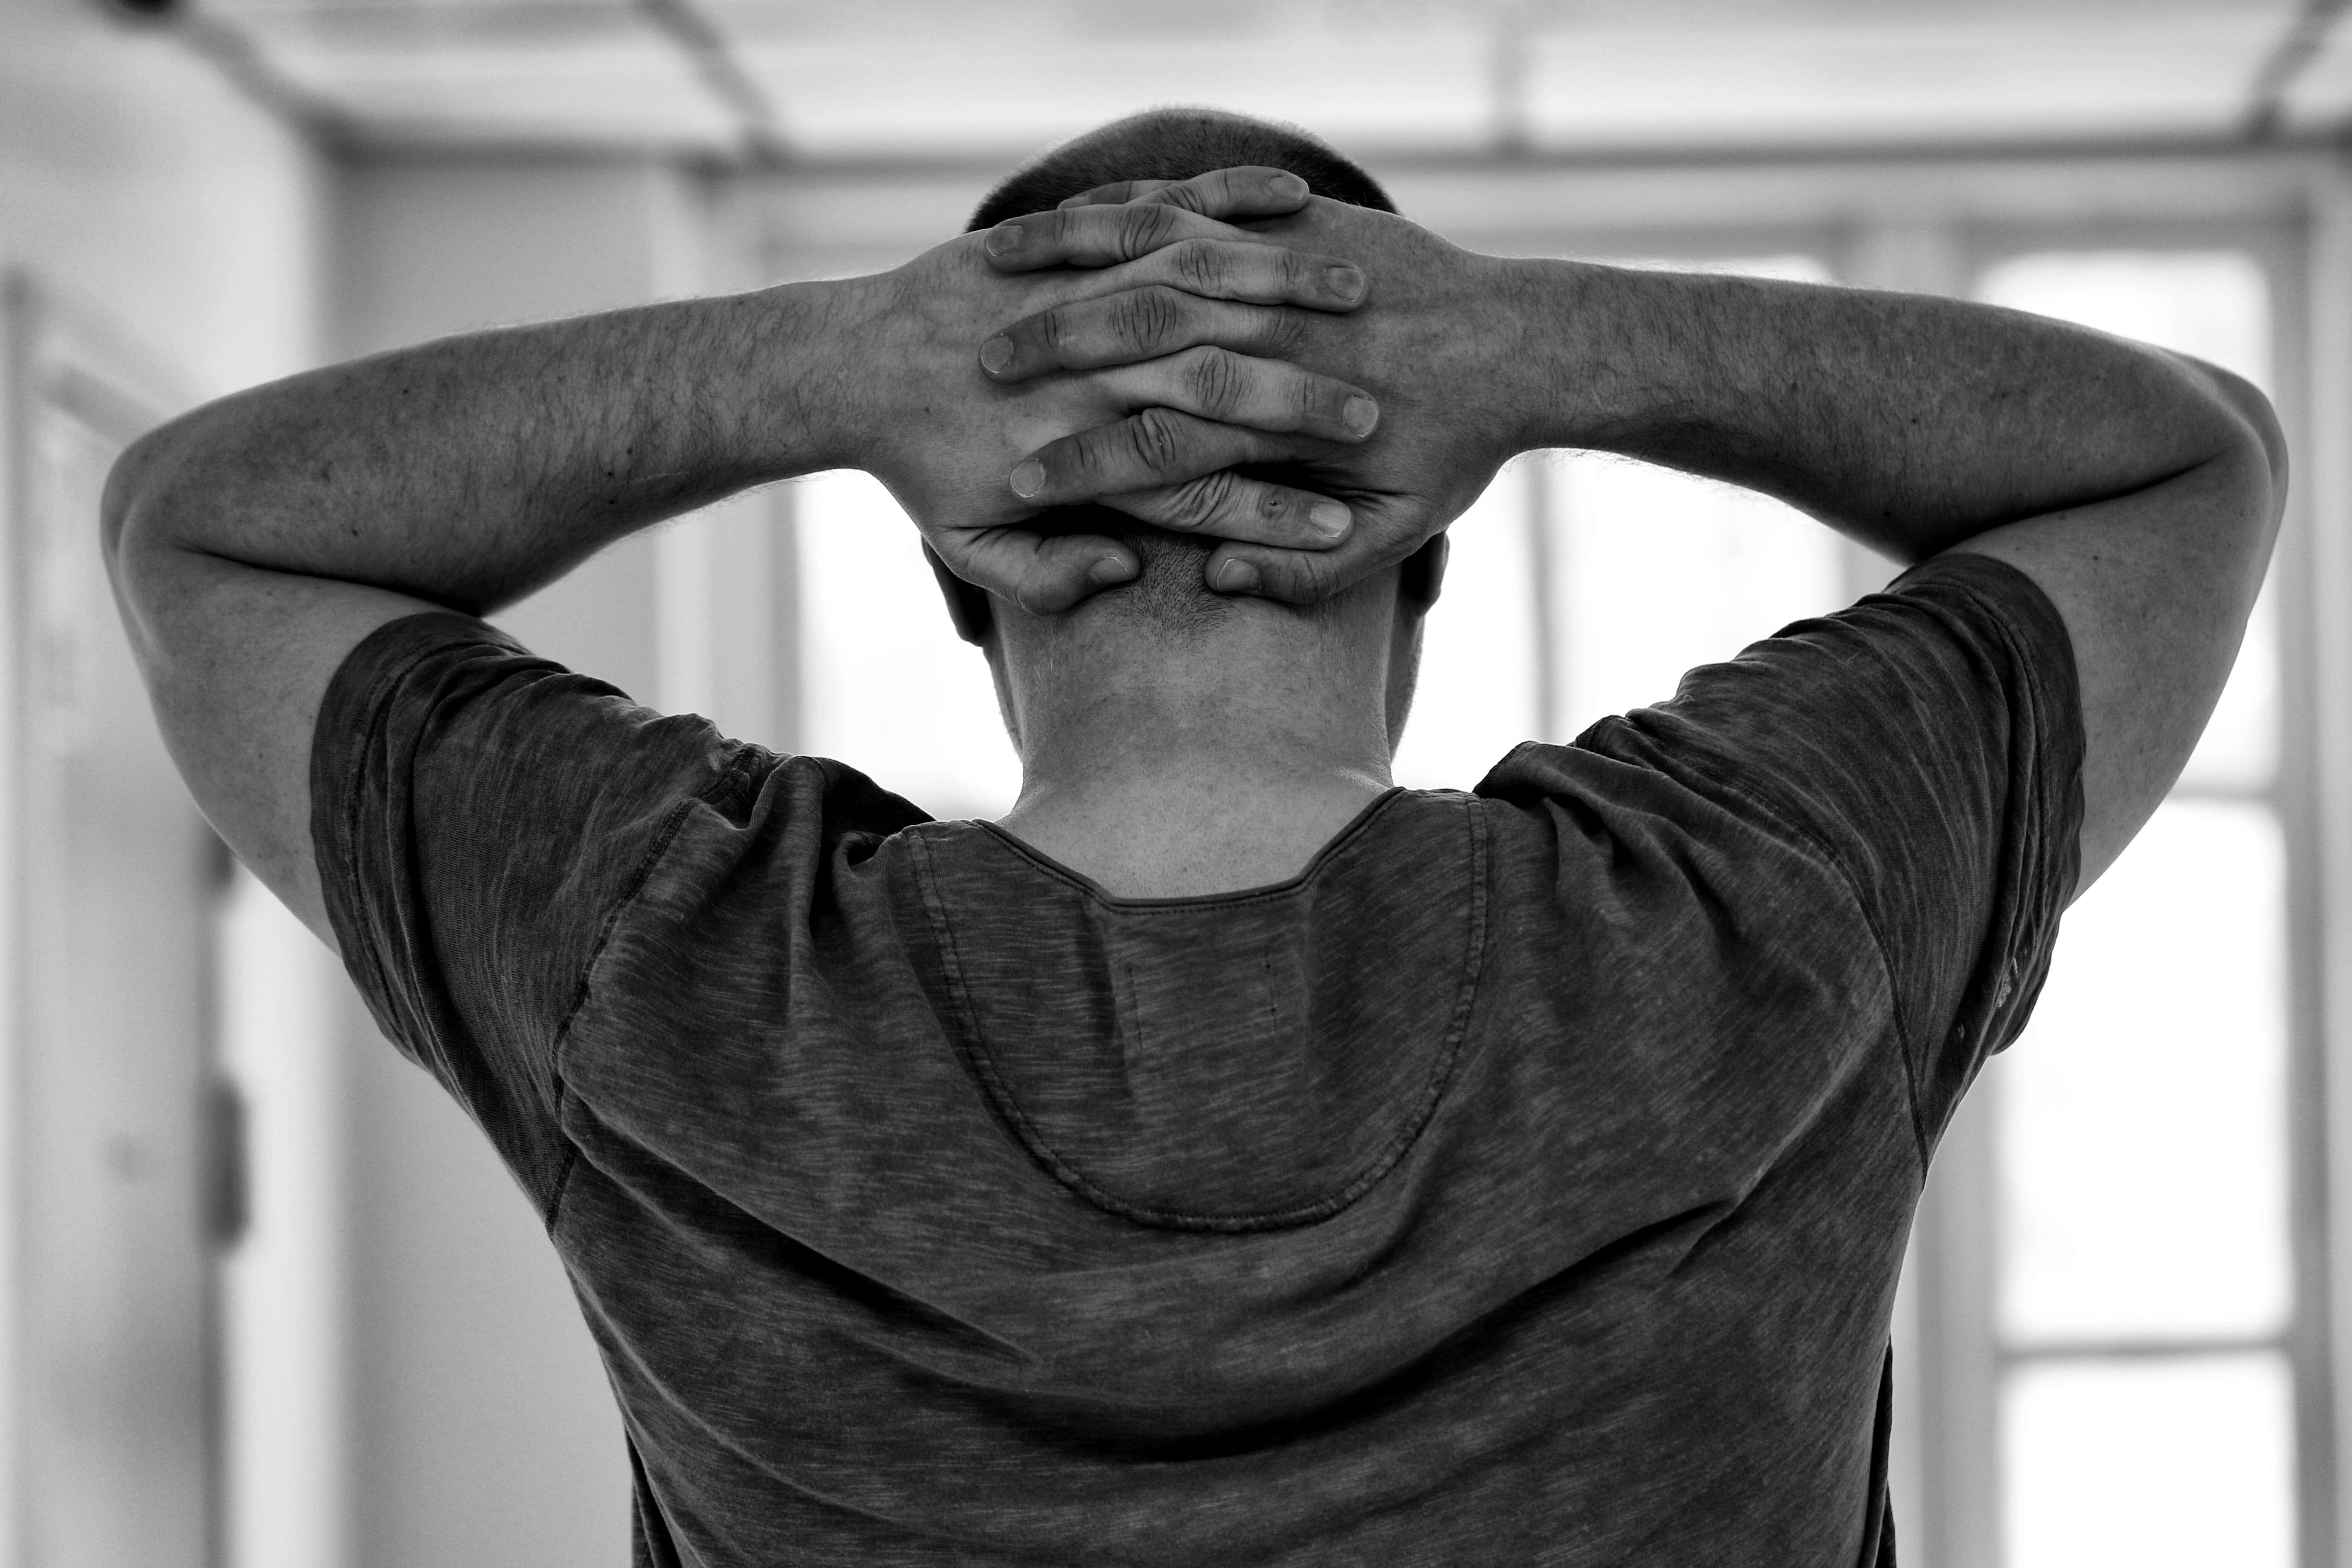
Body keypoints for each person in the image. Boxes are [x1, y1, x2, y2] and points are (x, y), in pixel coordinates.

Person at [105, 108, 2282, 1566]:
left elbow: (201, 527)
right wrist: (1538, 341)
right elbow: (2188, 462)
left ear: (957, 577)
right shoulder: (1758, 907)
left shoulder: (664, 965)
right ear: (1425, 550)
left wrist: (835, 371)